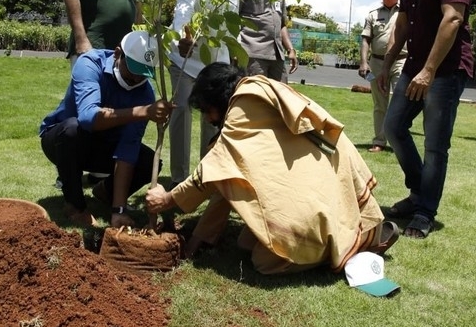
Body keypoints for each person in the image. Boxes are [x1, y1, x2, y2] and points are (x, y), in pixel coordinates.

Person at [146, 63, 399, 276]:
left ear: (216, 99)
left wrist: (167, 199)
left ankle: (343, 248)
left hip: (317, 199)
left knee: (264, 262)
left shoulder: (243, 106)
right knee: (245, 241)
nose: (209, 119)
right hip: (333, 188)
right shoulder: (257, 91)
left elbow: (212, 169)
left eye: (207, 110)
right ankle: (352, 234)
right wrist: (195, 244)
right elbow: (227, 180)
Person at [378, 0, 475, 239]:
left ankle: (424, 212)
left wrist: (429, 70)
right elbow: (403, 24)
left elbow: (452, 19)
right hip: (413, 66)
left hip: (444, 71)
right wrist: (387, 61)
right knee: (393, 126)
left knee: (435, 145)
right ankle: (419, 191)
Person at [40, 30, 173, 228]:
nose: (137, 78)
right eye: (134, 69)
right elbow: (87, 118)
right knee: (72, 129)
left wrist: (118, 210)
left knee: (147, 161)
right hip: (63, 142)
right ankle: (75, 205)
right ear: (118, 54)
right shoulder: (89, 64)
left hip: (106, 146)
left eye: (144, 72)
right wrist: (143, 111)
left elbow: (128, 149)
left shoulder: (145, 94)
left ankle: (106, 193)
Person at [167, 0, 239, 188]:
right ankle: (179, 180)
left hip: (213, 66)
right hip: (184, 61)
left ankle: (205, 180)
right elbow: (182, 13)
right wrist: (180, 39)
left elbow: (231, 32)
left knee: (214, 119)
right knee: (181, 116)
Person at [359, 0, 406, 152]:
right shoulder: (373, 15)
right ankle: (379, 141)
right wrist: (364, 62)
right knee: (380, 104)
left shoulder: (405, 12)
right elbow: (365, 40)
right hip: (376, 63)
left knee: (401, 101)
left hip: (400, 61)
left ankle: (399, 141)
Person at [239, 0, 298, 81]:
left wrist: (291, 49)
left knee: (280, 90)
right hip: (253, 52)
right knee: (256, 92)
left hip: (277, 54)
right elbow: (234, 16)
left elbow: (282, 24)